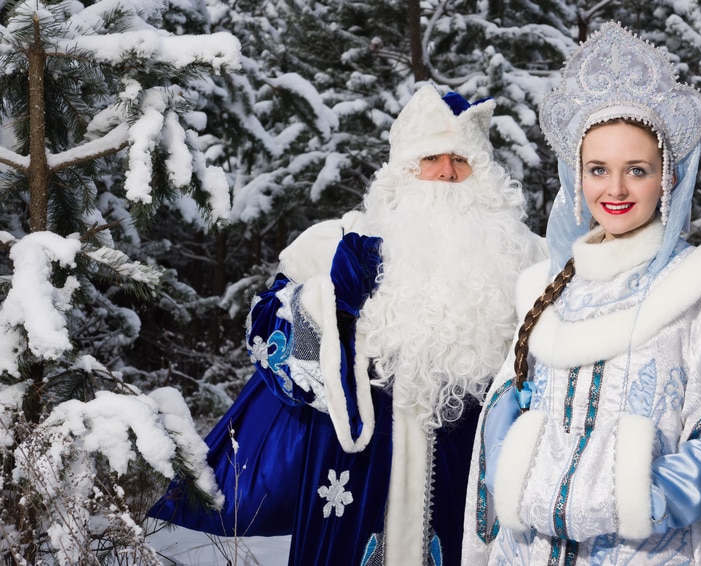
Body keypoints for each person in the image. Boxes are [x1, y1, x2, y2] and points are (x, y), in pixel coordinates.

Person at [150, 83, 547, 566]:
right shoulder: (337, 239)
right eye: (431, 158)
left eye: (461, 161)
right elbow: (263, 333)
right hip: (349, 474)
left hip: (468, 473)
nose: (445, 173)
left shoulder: (523, 256)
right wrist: (331, 307)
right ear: (403, 169)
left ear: (482, 174)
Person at [461, 22, 701, 565]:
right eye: (598, 170)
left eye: (637, 170)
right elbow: (502, 414)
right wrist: (524, 480)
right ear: (576, 177)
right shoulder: (545, 291)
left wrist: (635, 496)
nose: (614, 190)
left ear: (667, 178)